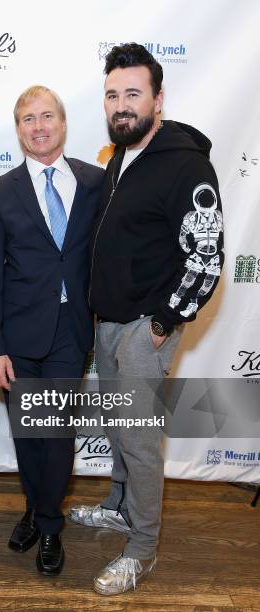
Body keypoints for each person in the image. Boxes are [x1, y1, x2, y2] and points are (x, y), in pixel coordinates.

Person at [69, 43, 224, 595]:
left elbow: (207, 258)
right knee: (119, 428)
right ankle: (119, 506)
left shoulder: (186, 164)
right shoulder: (121, 156)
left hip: (142, 327)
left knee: (137, 438)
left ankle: (143, 546)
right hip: (108, 321)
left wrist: (164, 321)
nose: (120, 104)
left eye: (132, 93)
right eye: (112, 95)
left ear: (158, 99)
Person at [0, 85, 104, 575]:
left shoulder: (94, 183)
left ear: (64, 123)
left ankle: (49, 526)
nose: (39, 126)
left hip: (71, 332)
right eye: (28, 119)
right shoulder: (0, 191)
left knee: (56, 434)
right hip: (17, 336)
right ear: (18, 130)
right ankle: (34, 506)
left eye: (46, 116)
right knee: (28, 434)